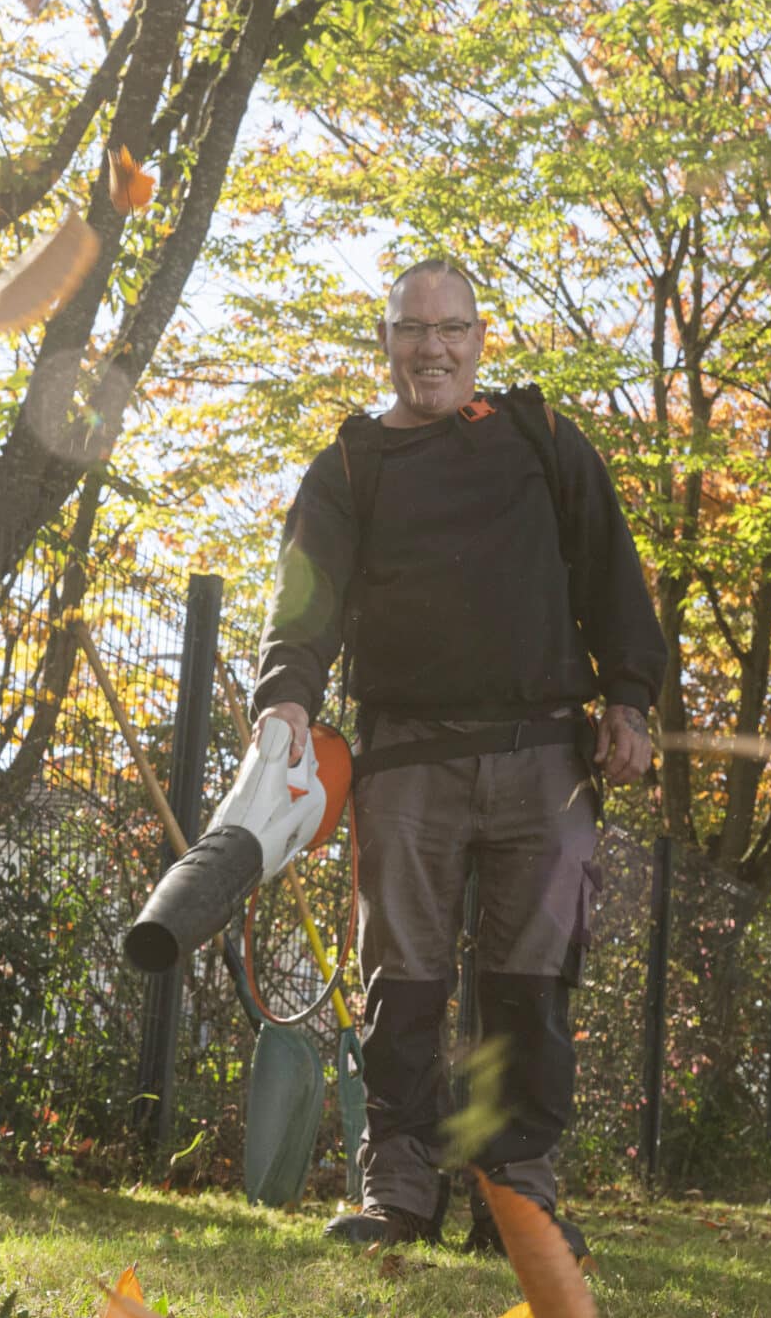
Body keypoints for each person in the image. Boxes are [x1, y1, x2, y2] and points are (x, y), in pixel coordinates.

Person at [250, 256, 664, 1258]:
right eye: (411, 329)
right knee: (404, 981)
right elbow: (303, 601)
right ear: (385, 343)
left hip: (542, 756)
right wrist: (285, 701)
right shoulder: (348, 466)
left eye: (451, 328)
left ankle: (514, 1195)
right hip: (406, 761)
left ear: (481, 340)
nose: (431, 347)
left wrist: (631, 697)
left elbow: (611, 567)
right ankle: (398, 1190)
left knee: (529, 981)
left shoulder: (542, 438)